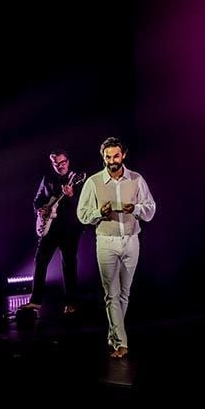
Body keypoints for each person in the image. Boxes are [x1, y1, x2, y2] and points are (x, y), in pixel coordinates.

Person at [77, 137, 156, 358]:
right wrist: (98, 213)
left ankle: (113, 334)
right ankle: (121, 343)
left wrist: (136, 208)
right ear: (103, 157)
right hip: (106, 242)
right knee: (111, 294)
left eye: (116, 156)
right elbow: (82, 215)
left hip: (131, 240)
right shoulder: (93, 182)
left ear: (123, 156)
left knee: (124, 294)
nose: (112, 160)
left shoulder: (136, 179)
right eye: (108, 157)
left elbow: (150, 208)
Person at [19, 149, 86, 315]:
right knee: (40, 262)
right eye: (57, 163)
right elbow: (37, 200)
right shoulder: (47, 179)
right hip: (49, 228)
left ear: (68, 161)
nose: (60, 166)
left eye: (63, 162)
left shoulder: (77, 180)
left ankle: (71, 303)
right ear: (53, 163)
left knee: (69, 265)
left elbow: (84, 206)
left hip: (70, 229)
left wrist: (71, 196)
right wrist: (39, 210)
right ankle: (35, 302)